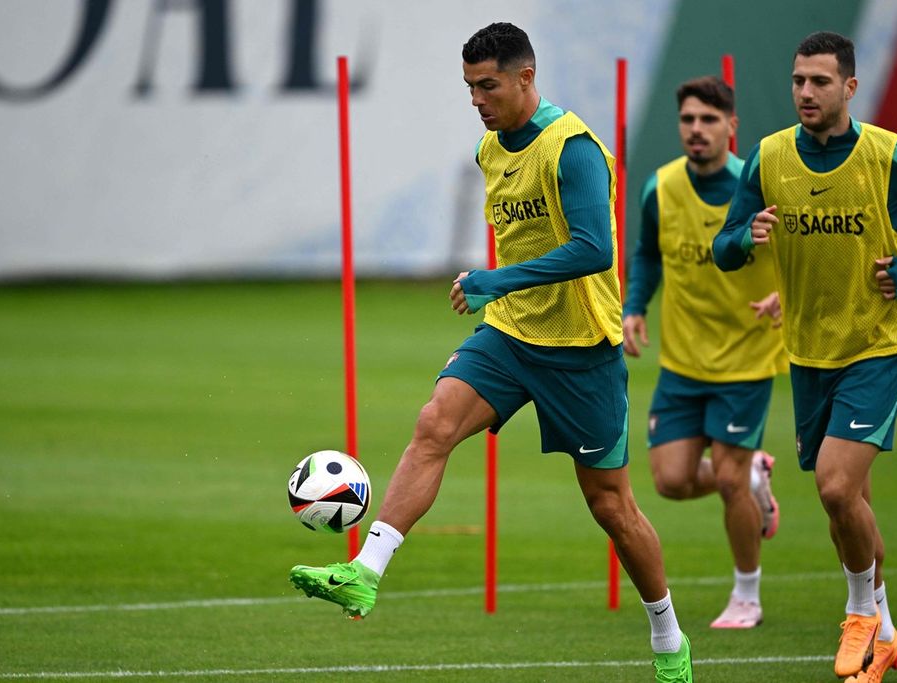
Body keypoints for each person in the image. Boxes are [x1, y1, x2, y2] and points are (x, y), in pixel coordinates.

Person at [291, 22, 693, 682]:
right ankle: (364, 572)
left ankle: (667, 635)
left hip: (581, 349)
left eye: (488, 85)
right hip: (509, 336)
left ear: (525, 78)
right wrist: (498, 289)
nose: (477, 98)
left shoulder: (574, 148)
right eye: (469, 87)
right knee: (433, 424)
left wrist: (494, 278)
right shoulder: (489, 149)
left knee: (612, 507)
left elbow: (596, 248)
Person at [713, 31, 897, 682]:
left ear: (849, 88)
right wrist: (747, 235)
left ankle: (858, 615)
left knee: (833, 484)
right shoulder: (769, 157)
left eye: (820, 82)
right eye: (799, 80)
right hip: (809, 348)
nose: (805, 91)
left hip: (881, 343)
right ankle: (883, 633)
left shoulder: (890, 155)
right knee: (847, 504)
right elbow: (725, 247)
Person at [623, 76, 787, 630]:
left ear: (732, 127)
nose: (697, 130)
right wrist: (635, 306)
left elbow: (807, 251)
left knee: (730, 481)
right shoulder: (661, 186)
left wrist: (786, 293)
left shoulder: (761, 185)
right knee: (669, 480)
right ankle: (756, 479)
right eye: (689, 119)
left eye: (709, 120)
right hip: (683, 361)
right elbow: (647, 253)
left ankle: (747, 595)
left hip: (745, 358)